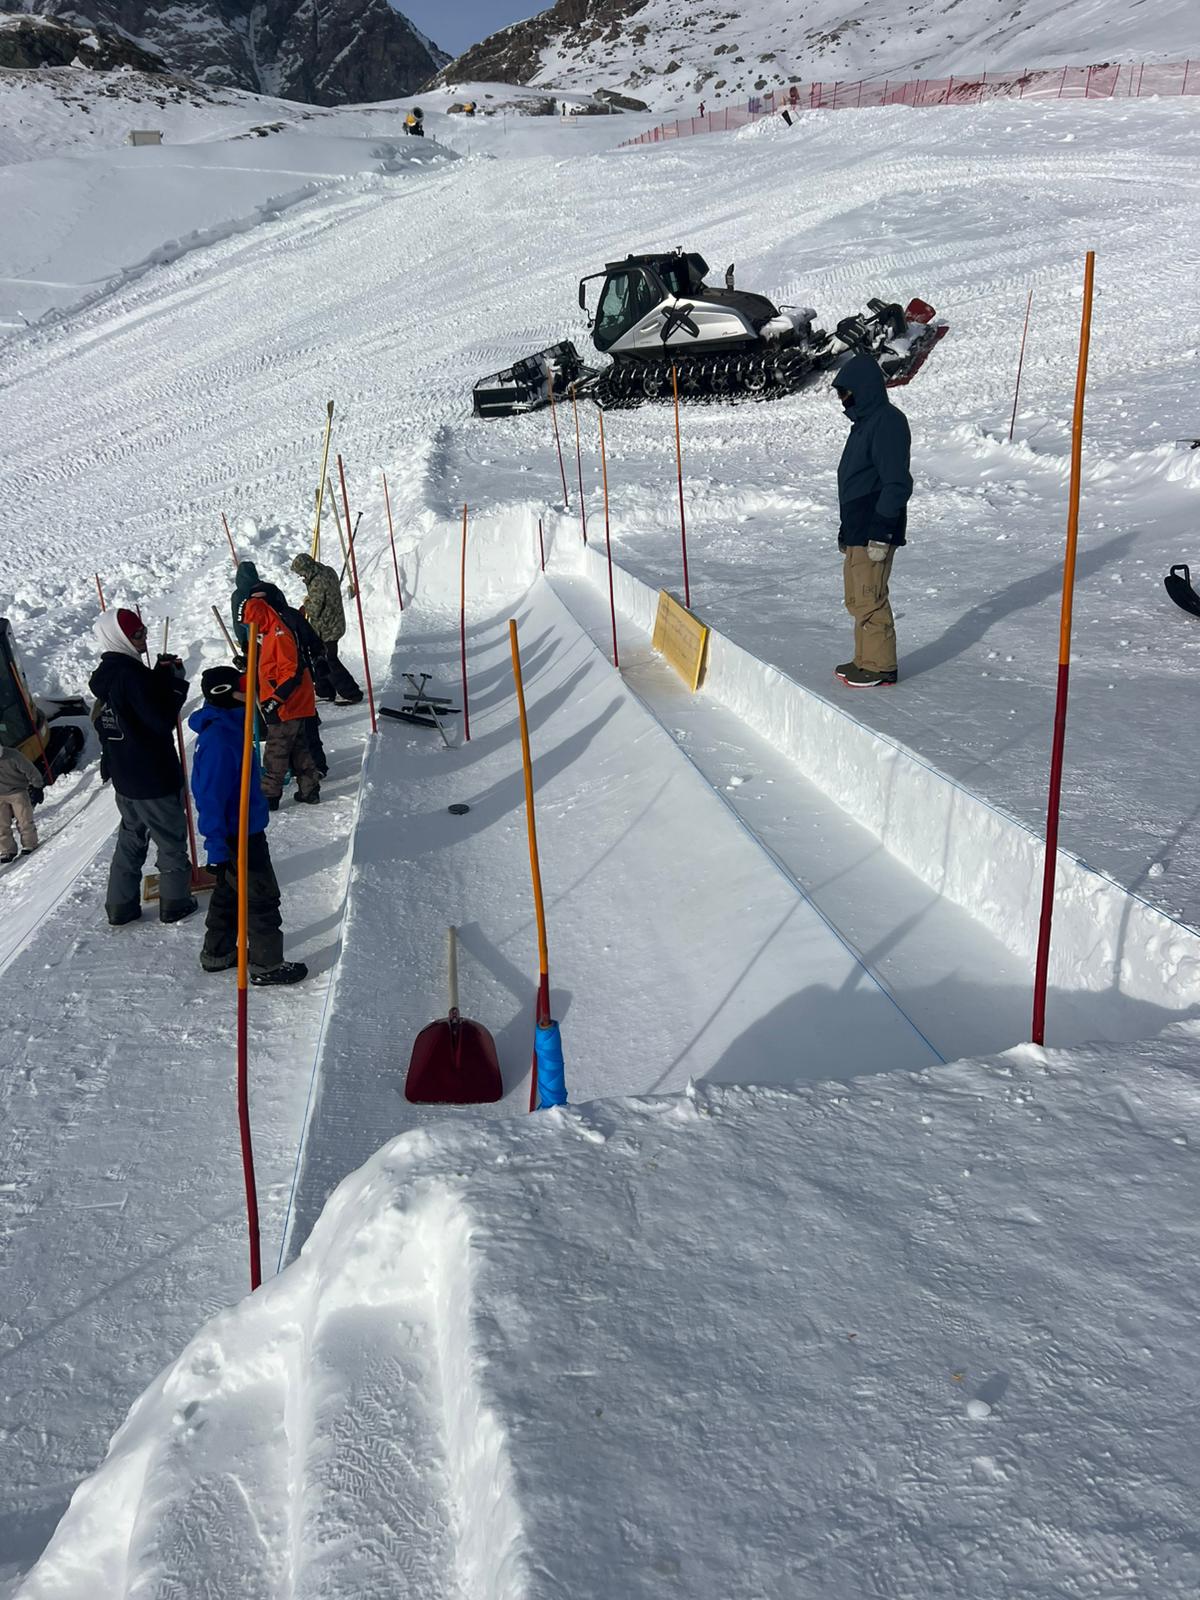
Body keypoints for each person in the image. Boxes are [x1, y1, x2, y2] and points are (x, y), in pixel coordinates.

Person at [189, 666, 307, 985]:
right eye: (245, 688)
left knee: (229, 893)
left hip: (246, 826)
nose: (252, 693)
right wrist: (216, 848)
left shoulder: (233, 724)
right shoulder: (219, 739)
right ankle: (267, 965)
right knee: (261, 897)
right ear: (226, 694)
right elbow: (209, 796)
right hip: (237, 834)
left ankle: (218, 952)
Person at [89, 608, 198, 924]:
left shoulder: (108, 675)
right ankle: (175, 902)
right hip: (153, 778)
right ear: (119, 637)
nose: (144, 638)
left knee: (131, 840)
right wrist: (176, 686)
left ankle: (120, 906)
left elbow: (135, 707)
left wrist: (161, 675)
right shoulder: (131, 676)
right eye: (136, 634)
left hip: (126, 779)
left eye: (144, 631)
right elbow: (160, 720)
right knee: (171, 841)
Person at [832, 353, 913, 687]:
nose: (843, 399)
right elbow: (856, 482)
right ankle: (864, 659)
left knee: (870, 596)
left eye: (846, 392)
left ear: (863, 388)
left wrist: (881, 530)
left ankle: (881, 667)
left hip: (874, 528)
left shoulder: (887, 421)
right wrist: (846, 528)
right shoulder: (863, 424)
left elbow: (896, 482)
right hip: (858, 527)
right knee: (857, 599)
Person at [237, 591, 321, 810]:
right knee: (299, 747)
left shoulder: (278, 633)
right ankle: (309, 789)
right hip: (294, 702)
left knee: (276, 751)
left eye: (249, 623)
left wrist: (275, 700)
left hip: (288, 703)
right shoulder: (267, 632)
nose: (248, 628)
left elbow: (290, 670)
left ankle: (269, 796)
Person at [290, 552, 362, 704]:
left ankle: (351, 693)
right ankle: (324, 691)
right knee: (319, 657)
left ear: (306, 569)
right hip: (334, 622)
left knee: (330, 660)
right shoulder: (327, 570)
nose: (301, 577)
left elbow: (314, 611)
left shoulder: (317, 582)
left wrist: (306, 602)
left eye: (301, 573)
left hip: (327, 628)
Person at [0, 741, 44, 864]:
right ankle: (7, 850)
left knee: (24, 819)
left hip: (17, 791)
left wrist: (37, 787)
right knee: (2, 825)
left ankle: (29, 844)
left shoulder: (13, 755)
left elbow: (30, 770)